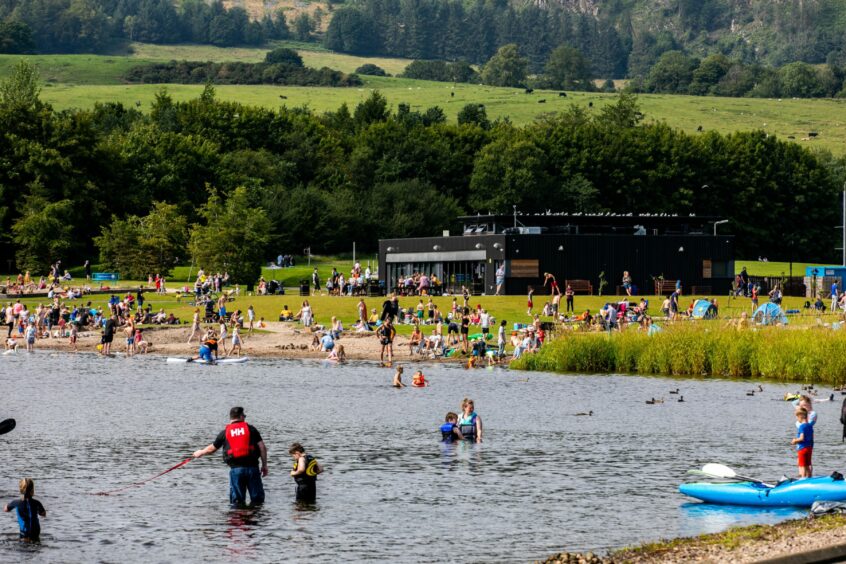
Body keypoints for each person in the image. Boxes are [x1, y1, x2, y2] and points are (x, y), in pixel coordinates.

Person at [193, 407, 267, 507]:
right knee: (257, 500)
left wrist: (200, 452)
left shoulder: (225, 432)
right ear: (241, 416)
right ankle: (256, 518)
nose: (245, 418)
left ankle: (239, 519)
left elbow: (212, 448)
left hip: (236, 470)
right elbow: (262, 447)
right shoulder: (251, 429)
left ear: (231, 418)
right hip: (252, 469)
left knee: (237, 501)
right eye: (244, 416)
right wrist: (264, 465)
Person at [4, 478, 46, 543]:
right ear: (32, 490)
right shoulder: (37, 503)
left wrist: (7, 504)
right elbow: (43, 514)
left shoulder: (16, 502)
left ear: (20, 489)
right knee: (36, 543)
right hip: (36, 531)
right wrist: (37, 511)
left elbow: (6, 509)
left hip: (24, 532)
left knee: (24, 547)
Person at [791, 407, 813, 478]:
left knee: (802, 465)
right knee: (807, 465)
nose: (797, 419)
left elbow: (802, 438)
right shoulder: (810, 426)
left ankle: (802, 480)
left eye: (797, 417)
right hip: (809, 448)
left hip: (802, 448)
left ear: (801, 416)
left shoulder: (801, 426)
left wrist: (795, 441)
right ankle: (809, 478)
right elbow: (812, 437)